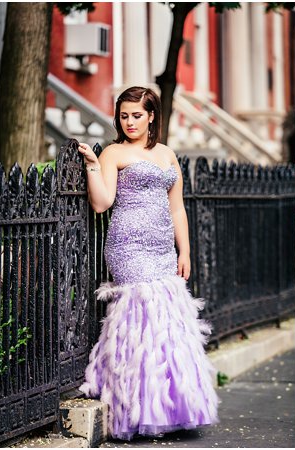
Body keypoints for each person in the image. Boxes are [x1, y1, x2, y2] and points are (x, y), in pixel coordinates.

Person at [77, 87, 218, 440]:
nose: (130, 122)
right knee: (141, 321)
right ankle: (135, 407)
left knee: (168, 324)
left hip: (162, 249)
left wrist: (184, 251)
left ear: (151, 115)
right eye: (124, 116)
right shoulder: (113, 152)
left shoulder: (168, 154)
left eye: (137, 115)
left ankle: (168, 406)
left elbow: (177, 208)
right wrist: (94, 167)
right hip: (129, 247)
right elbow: (101, 203)